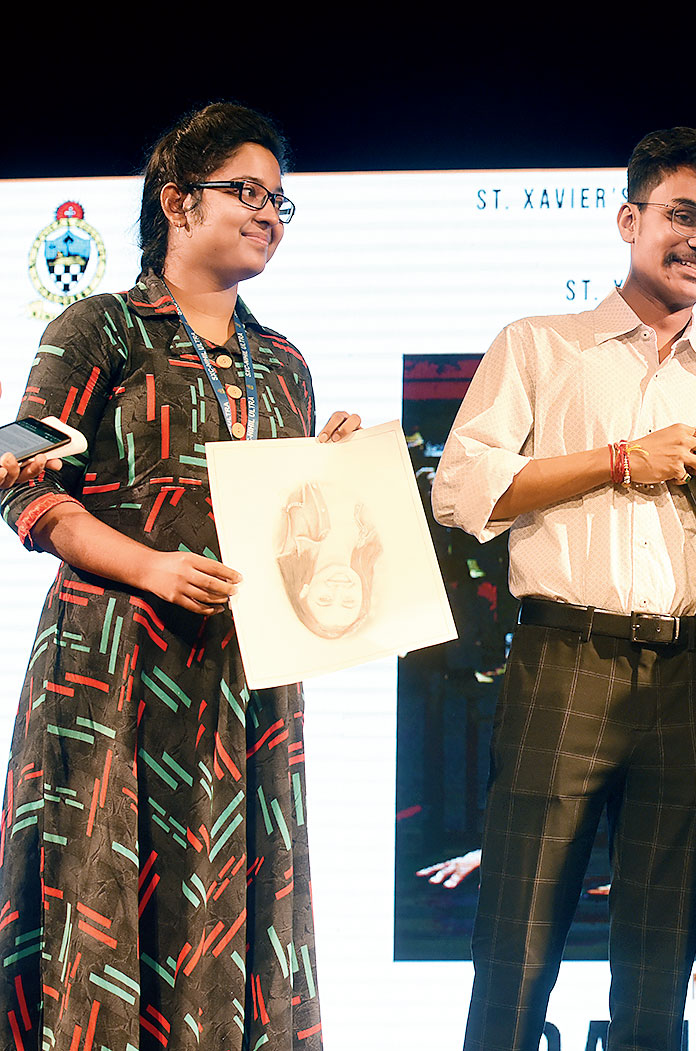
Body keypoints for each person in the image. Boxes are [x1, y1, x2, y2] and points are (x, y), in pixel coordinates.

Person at [0, 103, 361, 1050]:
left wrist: (328, 483)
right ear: (176, 202)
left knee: (236, 899)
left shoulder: (284, 361)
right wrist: (151, 566)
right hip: (113, 669)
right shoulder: (99, 328)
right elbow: (23, 489)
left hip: (242, 678)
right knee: (105, 898)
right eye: (244, 192)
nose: (267, 214)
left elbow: (290, 532)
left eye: (280, 201)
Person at [431, 127, 696, 1051]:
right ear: (630, 219)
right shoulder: (541, 347)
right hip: (566, 660)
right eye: (682, 215)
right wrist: (621, 460)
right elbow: (464, 491)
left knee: (659, 964)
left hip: (695, 680)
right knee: (515, 947)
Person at [276, 480, 382, 638]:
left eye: (325, 599)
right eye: (349, 601)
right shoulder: (374, 540)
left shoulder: (286, 541)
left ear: (304, 591)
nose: (339, 589)